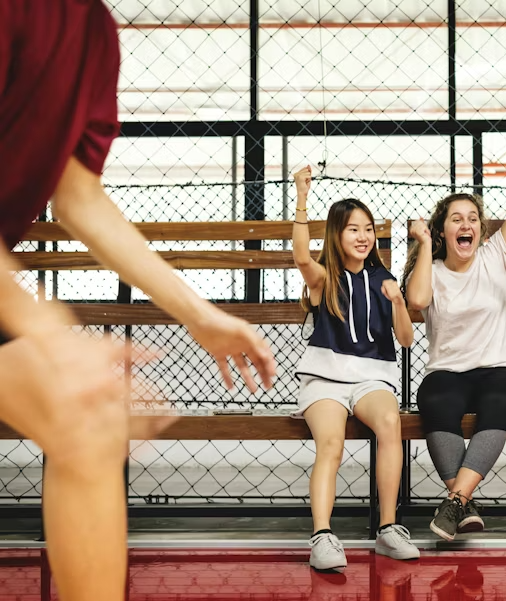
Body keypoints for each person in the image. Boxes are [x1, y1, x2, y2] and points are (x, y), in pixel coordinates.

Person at [0, 3, 276, 599]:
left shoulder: (89, 30)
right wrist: (47, 333)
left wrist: (201, 316)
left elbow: (78, 197)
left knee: (92, 419)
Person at [402, 118, 506, 541]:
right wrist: (425, 247)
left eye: (472, 218)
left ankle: (455, 501)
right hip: (447, 371)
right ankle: (463, 502)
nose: (465, 224)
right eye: (455, 219)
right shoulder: (429, 268)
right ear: (443, 230)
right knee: (434, 400)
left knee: (505, 397)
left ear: (480, 230)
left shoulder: (495, 255)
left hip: (496, 369)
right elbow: (415, 302)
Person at [291, 167, 419, 570]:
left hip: (371, 377)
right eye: (352, 230)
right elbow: (299, 257)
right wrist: (301, 198)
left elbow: (406, 339)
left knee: (389, 425)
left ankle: (388, 528)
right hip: (325, 378)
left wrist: (399, 302)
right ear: (336, 235)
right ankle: (323, 536)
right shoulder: (323, 277)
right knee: (331, 444)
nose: (363, 236)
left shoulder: (385, 278)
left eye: (368, 229)